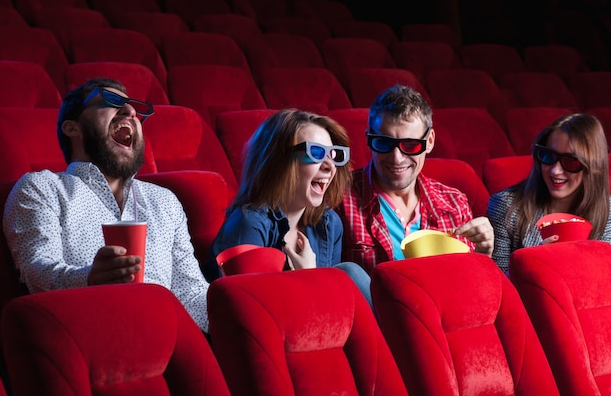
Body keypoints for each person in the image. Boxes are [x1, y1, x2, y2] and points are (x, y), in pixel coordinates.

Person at [3, 78, 210, 332]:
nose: (131, 112)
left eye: (134, 109)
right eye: (111, 102)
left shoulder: (165, 201)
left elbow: (190, 294)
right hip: (88, 336)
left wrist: (242, 302)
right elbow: (36, 272)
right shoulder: (41, 187)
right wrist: (89, 279)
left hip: (167, 339)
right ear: (72, 128)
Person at [208, 109, 372, 305]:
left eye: (334, 154)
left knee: (350, 272)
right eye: (316, 152)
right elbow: (251, 317)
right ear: (280, 161)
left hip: (321, 325)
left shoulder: (328, 224)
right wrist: (308, 279)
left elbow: (330, 304)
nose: (330, 166)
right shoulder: (248, 224)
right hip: (269, 329)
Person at [337, 84, 494, 274]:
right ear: (369, 139)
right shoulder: (338, 197)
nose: (397, 158)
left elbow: (467, 284)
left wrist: (483, 256)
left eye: (410, 145)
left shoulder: (455, 203)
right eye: (384, 143)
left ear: (429, 142)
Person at [487, 112, 611, 273]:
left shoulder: (609, 213)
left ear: (592, 167)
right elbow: (499, 284)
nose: (555, 170)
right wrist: (535, 265)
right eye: (548, 156)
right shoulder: (505, 206)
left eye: (570, 161)